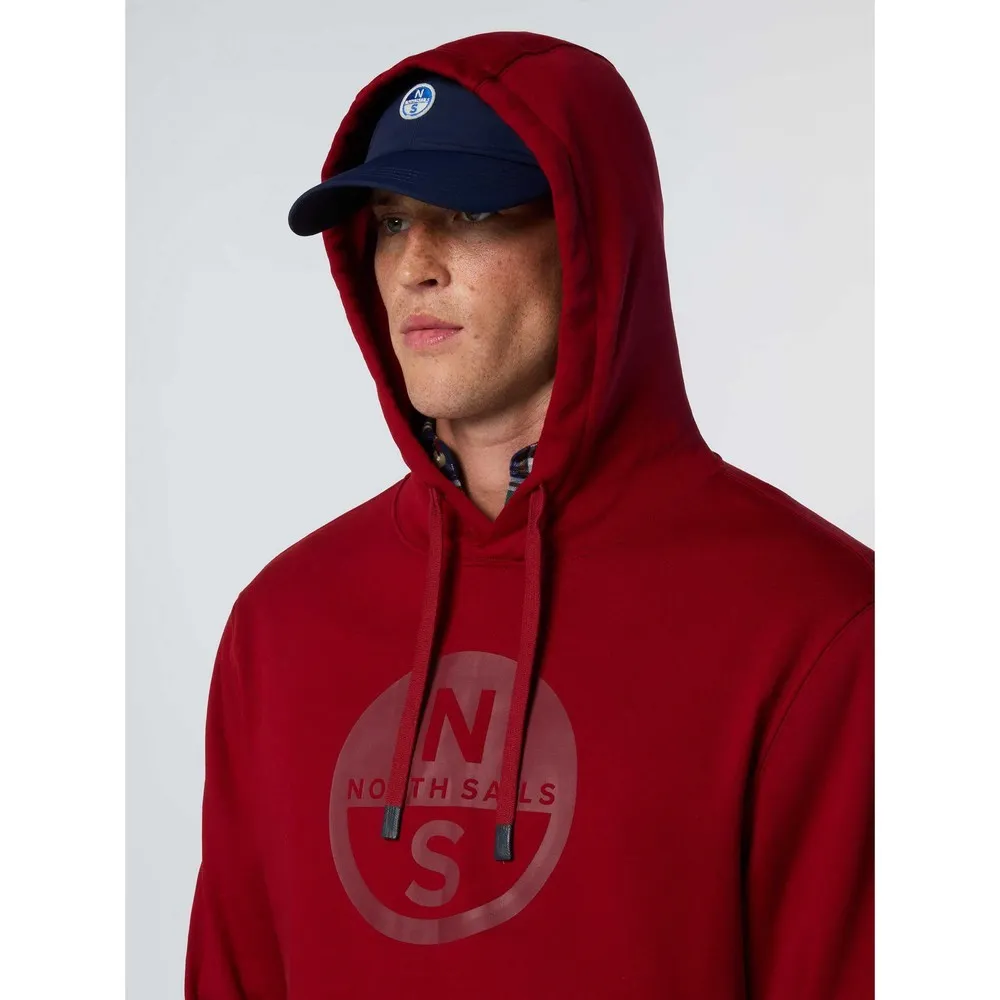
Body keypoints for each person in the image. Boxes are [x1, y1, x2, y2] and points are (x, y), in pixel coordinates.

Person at [185, 30, 873, 1000]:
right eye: (391, 221)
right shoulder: (282, 623)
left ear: (594, 240)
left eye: (470, 211)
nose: (415, 265)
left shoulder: (819, 625)